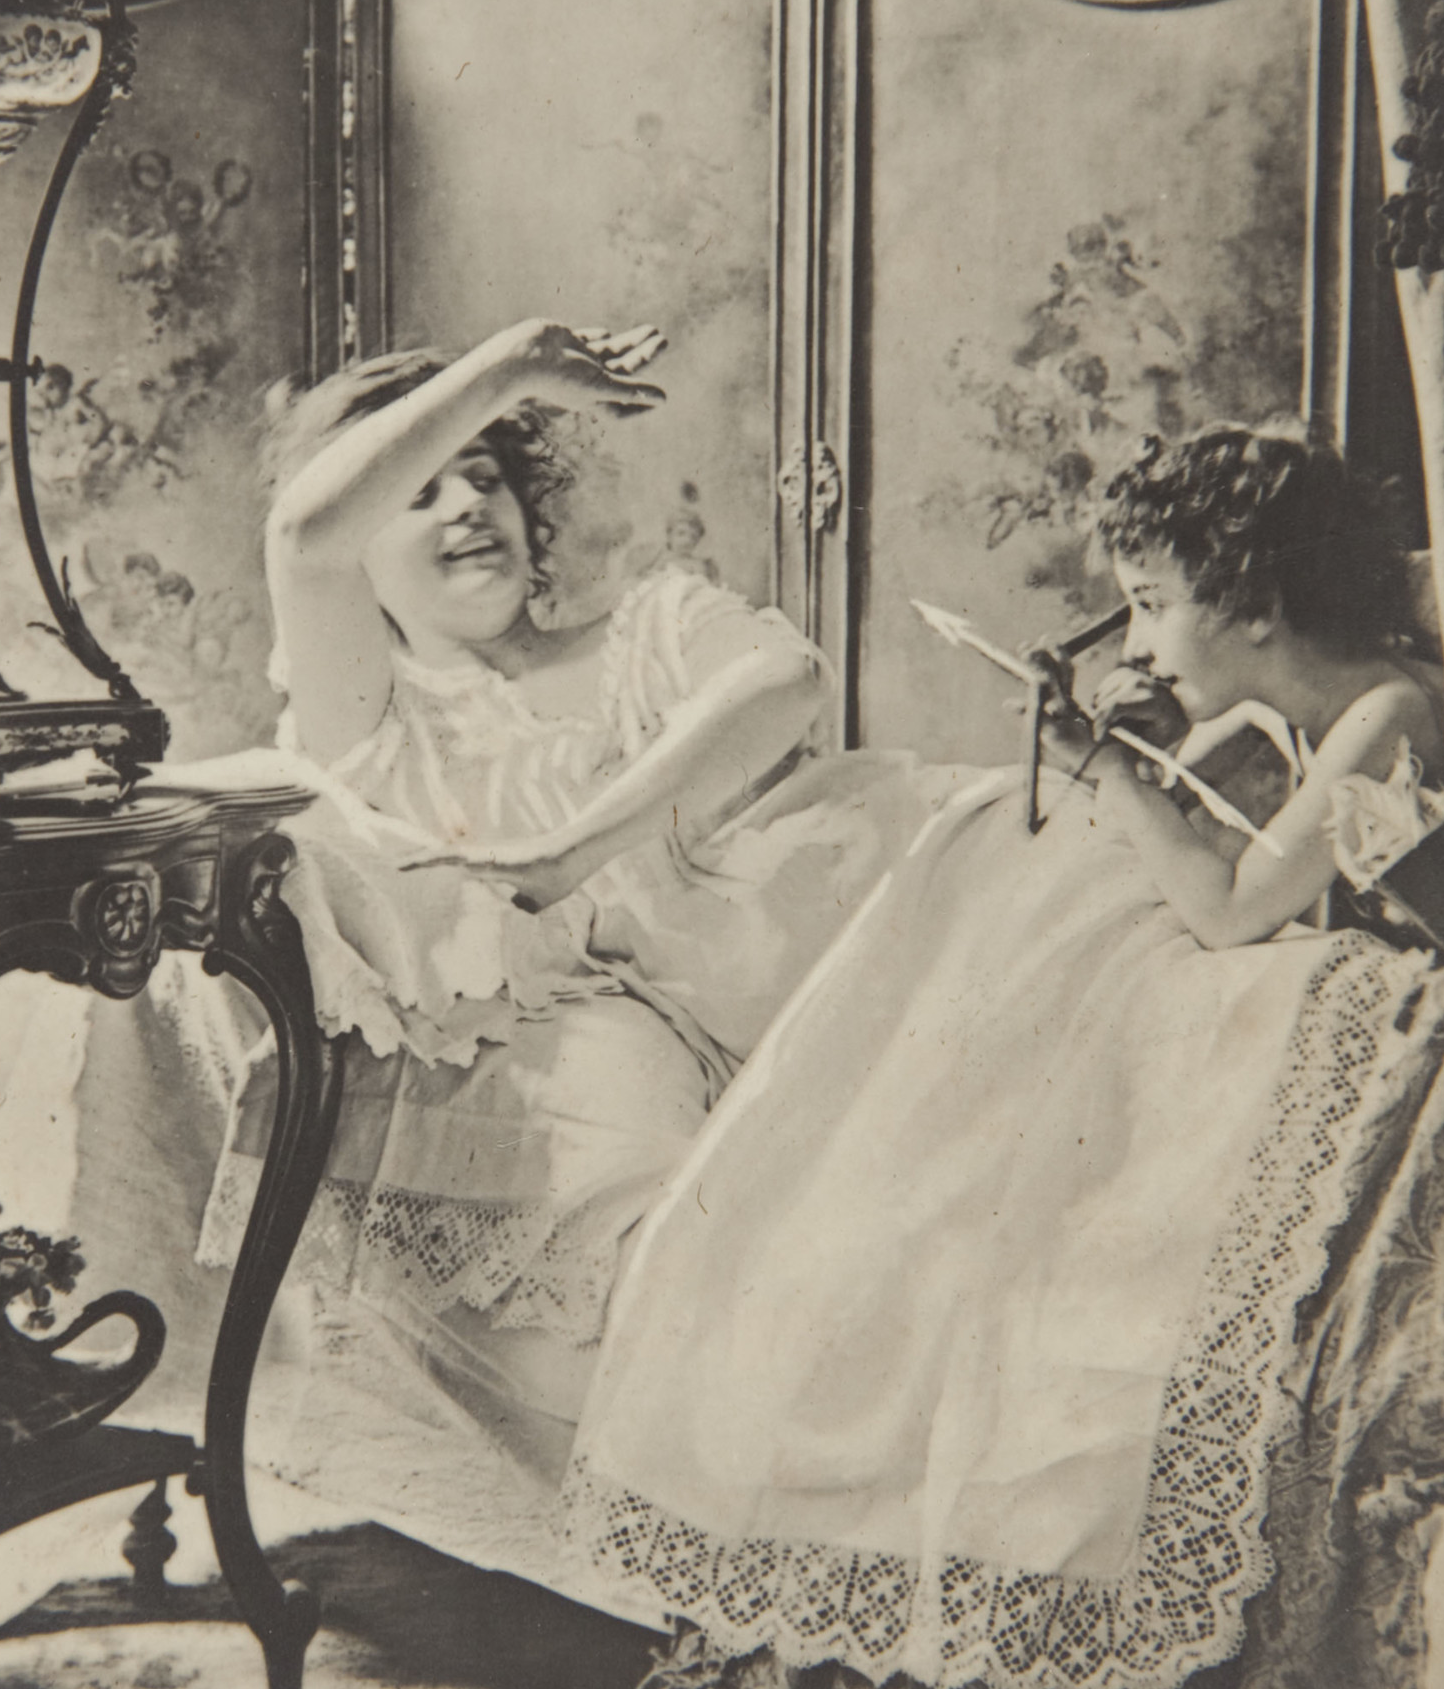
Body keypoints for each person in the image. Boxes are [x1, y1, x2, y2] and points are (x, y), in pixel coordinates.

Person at [558, 428, 1444, 1689]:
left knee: (1137, 1048)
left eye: (1155, 603)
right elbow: (1209, 851)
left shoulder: (1387, 711)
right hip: (1378, 988)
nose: (1141, 639)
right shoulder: (1304, 709)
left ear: (1254, 604)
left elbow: (1234, 907)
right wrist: (1130, 759)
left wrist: (1112, 764)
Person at [191, 320, 949, 1501]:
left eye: (486, 475)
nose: (464, 505)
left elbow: (784, 681)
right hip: (559, 1028)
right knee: (686, 1248)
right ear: (363, 561)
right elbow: (302, 533)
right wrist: (510, 366)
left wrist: (570, 849)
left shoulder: (647, 627)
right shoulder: (371, 704)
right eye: (419, 490)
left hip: (765, 979)